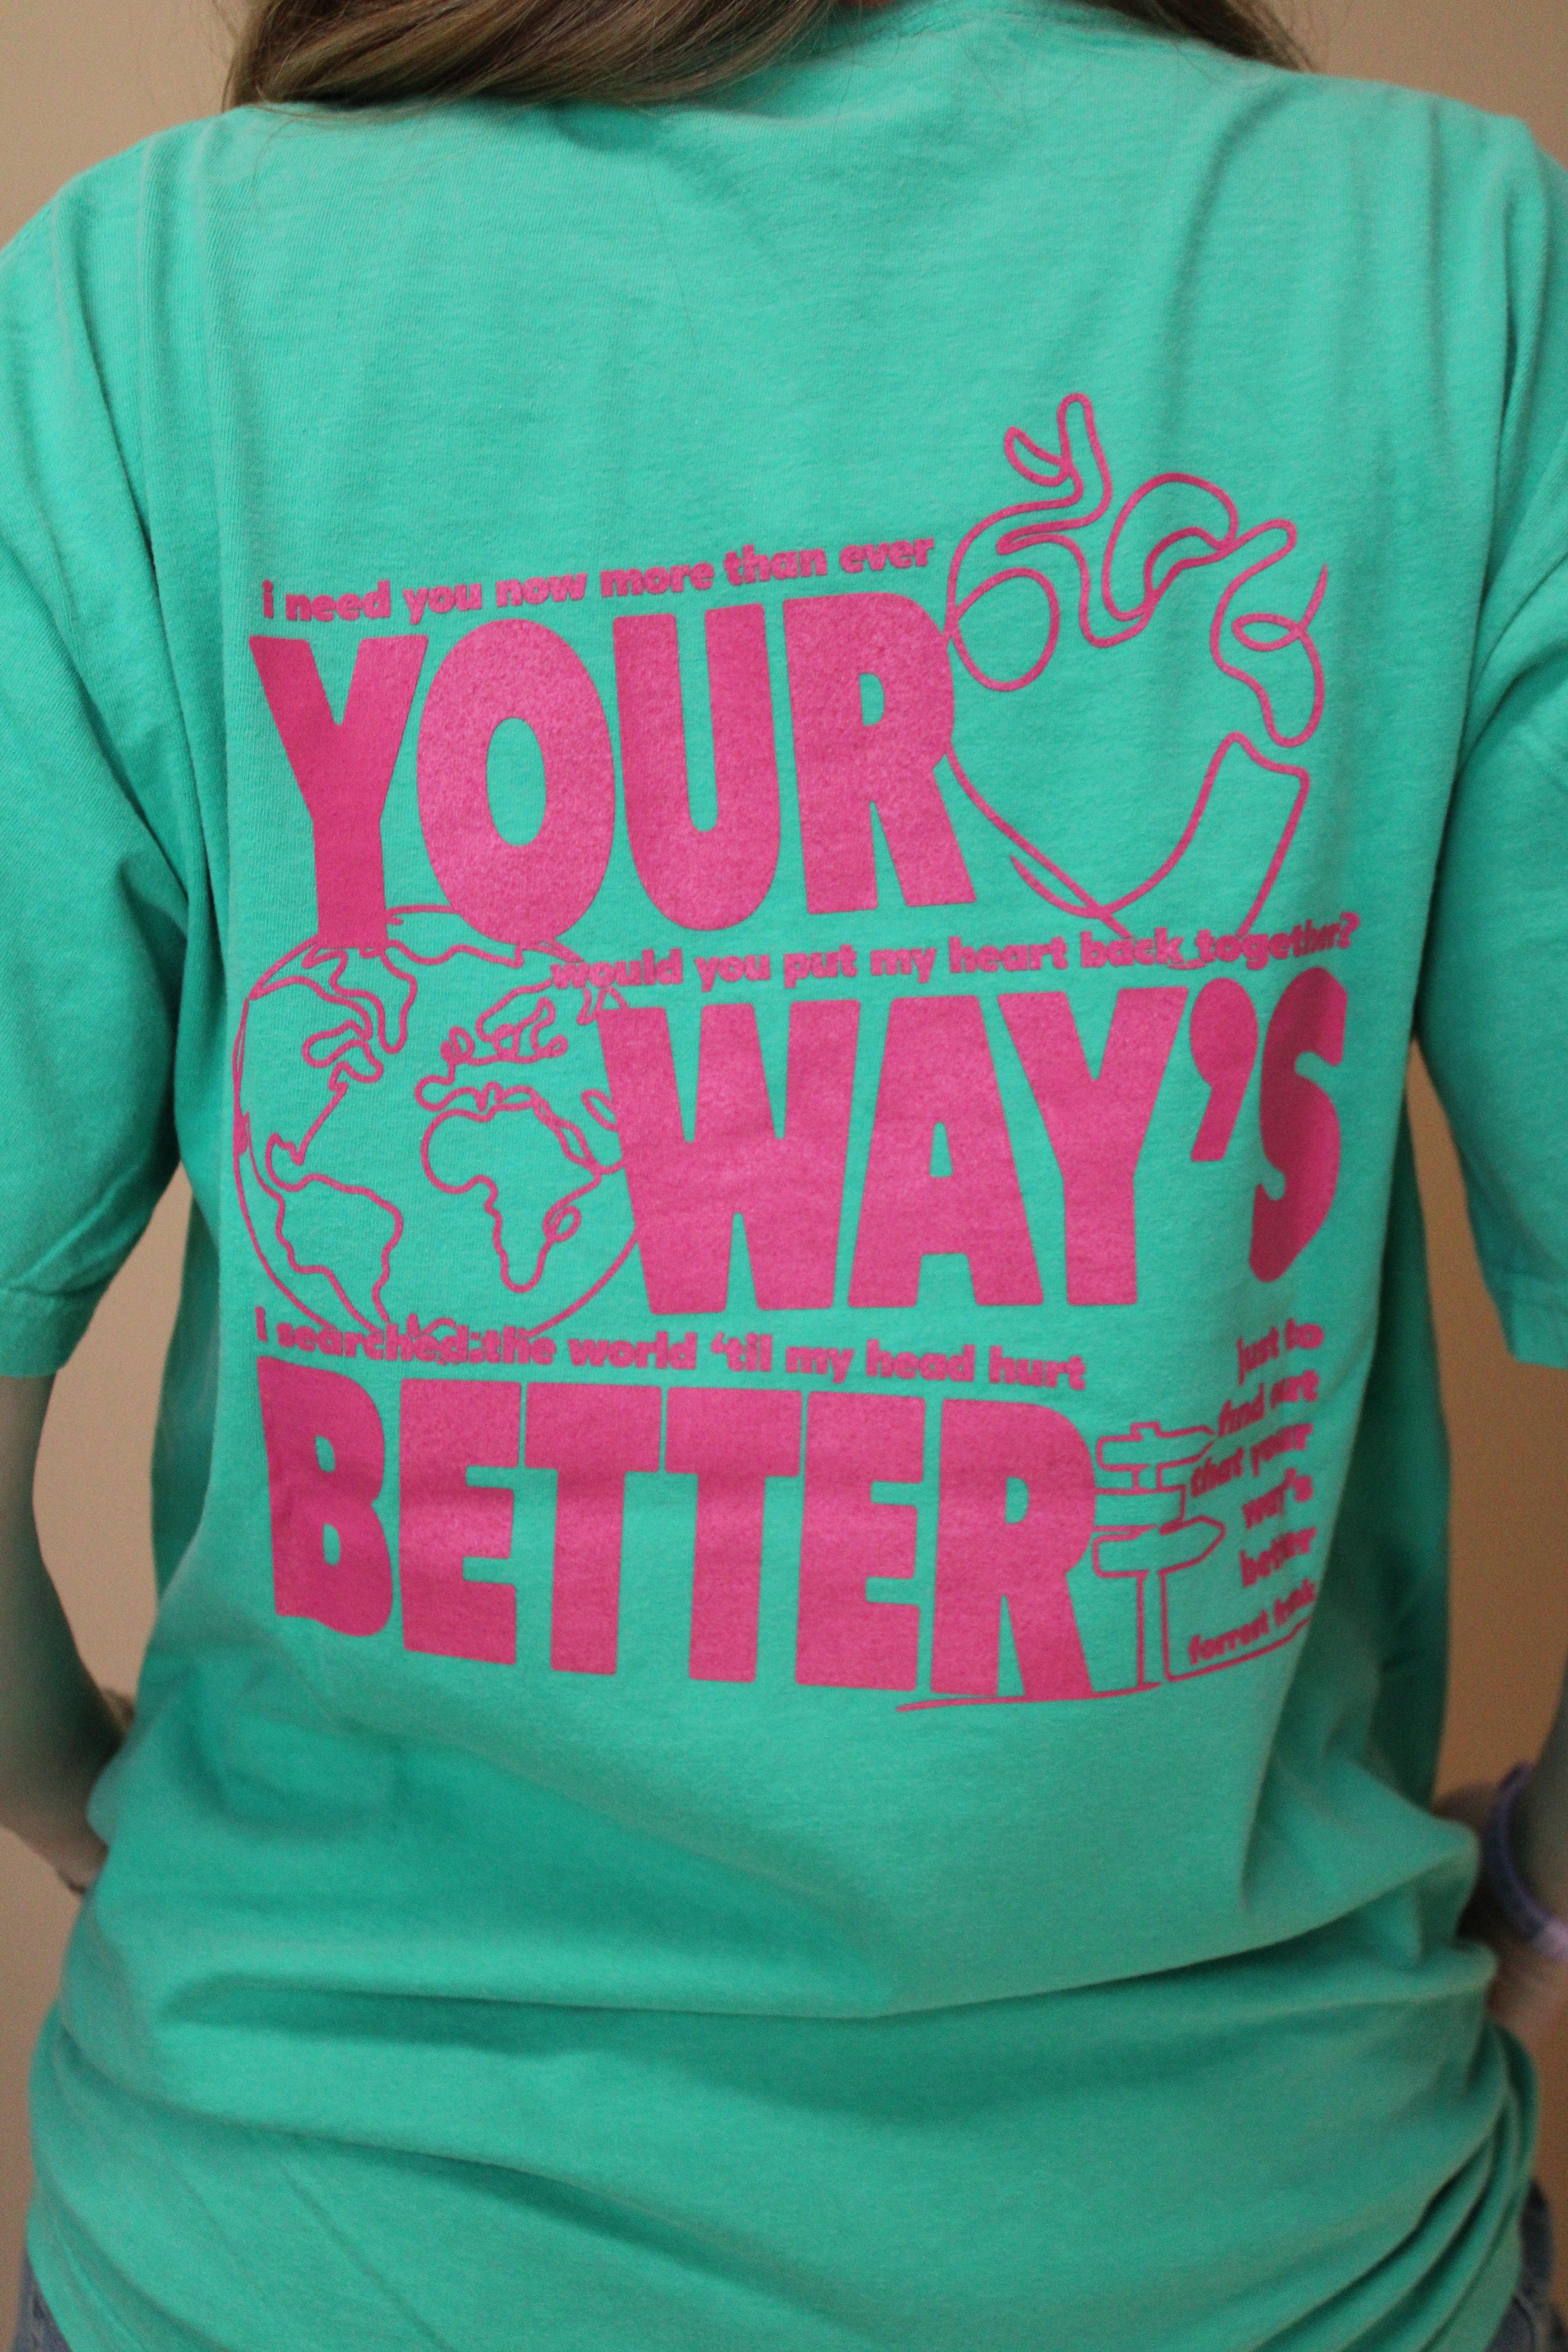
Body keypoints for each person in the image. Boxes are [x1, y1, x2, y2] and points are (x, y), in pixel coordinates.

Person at [3, 0, 1568, 2345]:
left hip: (303, 2247)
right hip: (1261, 2250)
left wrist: (72, 1799)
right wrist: (1534, 1896)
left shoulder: (150, 304)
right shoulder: (1444, 269)